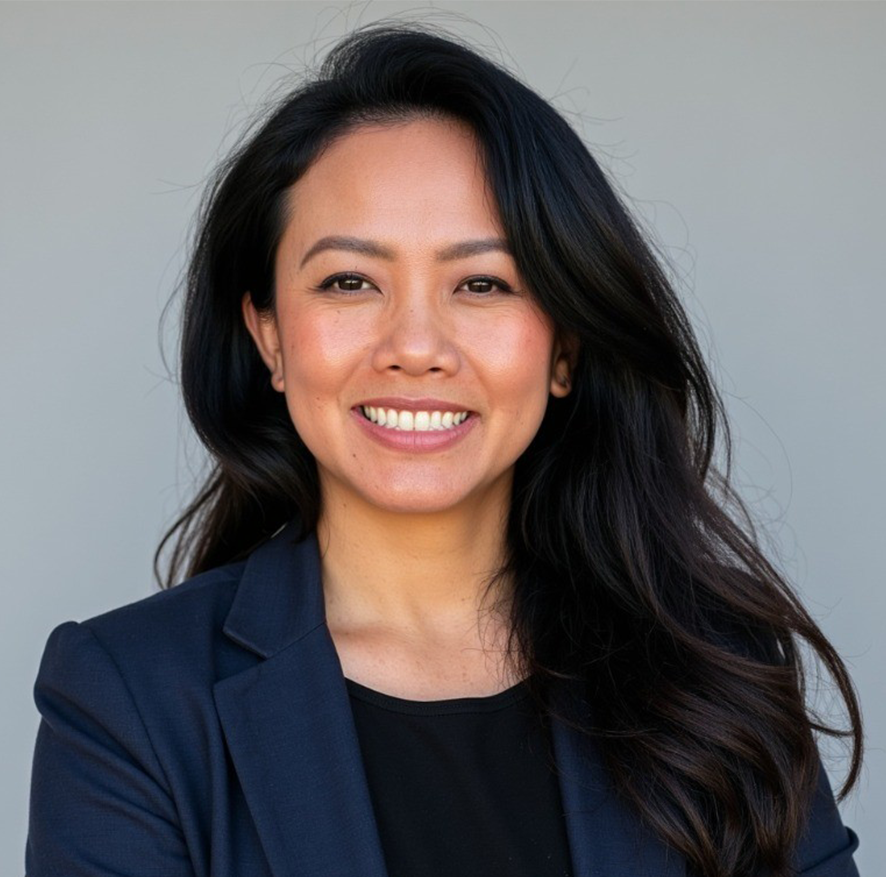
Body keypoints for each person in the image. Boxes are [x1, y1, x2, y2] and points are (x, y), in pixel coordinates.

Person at [25, 20, 863, 877]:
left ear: (565, 346)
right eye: (350, 281)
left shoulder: (713, 674)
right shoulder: (130, 701)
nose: (416, 346)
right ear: (269, 335)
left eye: (482, 283)